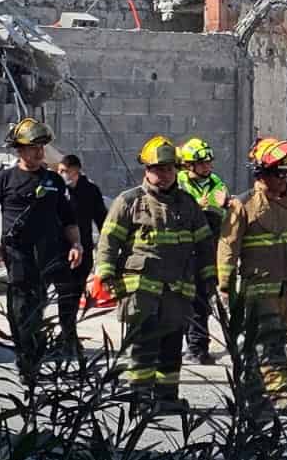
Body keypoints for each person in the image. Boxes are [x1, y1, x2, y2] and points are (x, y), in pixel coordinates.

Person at [93, 136, 216, 416]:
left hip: (177, 291)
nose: (165, 175)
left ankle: (167, 398)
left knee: (171, 347)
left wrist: (209, 277)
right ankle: (139, 399)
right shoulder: (129, 201)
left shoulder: (188, 204)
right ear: (147, 170)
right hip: (141, 292)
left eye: (169, 169)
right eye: (158, 169)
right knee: (143, 346)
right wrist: (106, 274)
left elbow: (204, 244)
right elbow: (109, 241)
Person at [218, 137, 287, 413]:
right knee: (271, 339)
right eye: (279, 174)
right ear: (262, 173)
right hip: (259, 286)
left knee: (260, 343)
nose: (285, 180)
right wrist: (225, 284)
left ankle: (252, 396)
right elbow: (228, 245)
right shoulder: (243, 204)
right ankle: (280, 393)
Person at [0, 118, 84, 374]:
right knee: (21, 307)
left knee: (39, 304)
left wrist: (76, 244)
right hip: (17, 253)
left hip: (48, 254)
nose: (39, 152)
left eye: (41, 147)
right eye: (34, 147)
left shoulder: (54, 181)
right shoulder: (5, 178)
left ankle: (34, 356)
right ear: (20, 150)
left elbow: (68, 219)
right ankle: (27, 359)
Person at [177, 137, 230, 366]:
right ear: (189, 165)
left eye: (209, 162)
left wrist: (224, 204)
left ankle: (198, 349)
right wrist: (197, 206)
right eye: (202, 163)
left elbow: (224, 212)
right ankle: (179, 346)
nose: (208, 167)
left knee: (201, 300)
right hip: (181, 251)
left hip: (208, 248)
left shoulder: (215, 181)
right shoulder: (178, 181)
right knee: (179, 301)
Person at [55, 153, 108, 357]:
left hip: (83, 251)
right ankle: (67, 336)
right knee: (65, 294)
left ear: (76, 171)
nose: (61, 174)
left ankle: (68, 335)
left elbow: (101, 219)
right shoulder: (57, 190)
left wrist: (107, 246)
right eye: (59, 170)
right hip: (60, 251)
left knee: (75, 294)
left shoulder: (90, 191)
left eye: (65, 171)